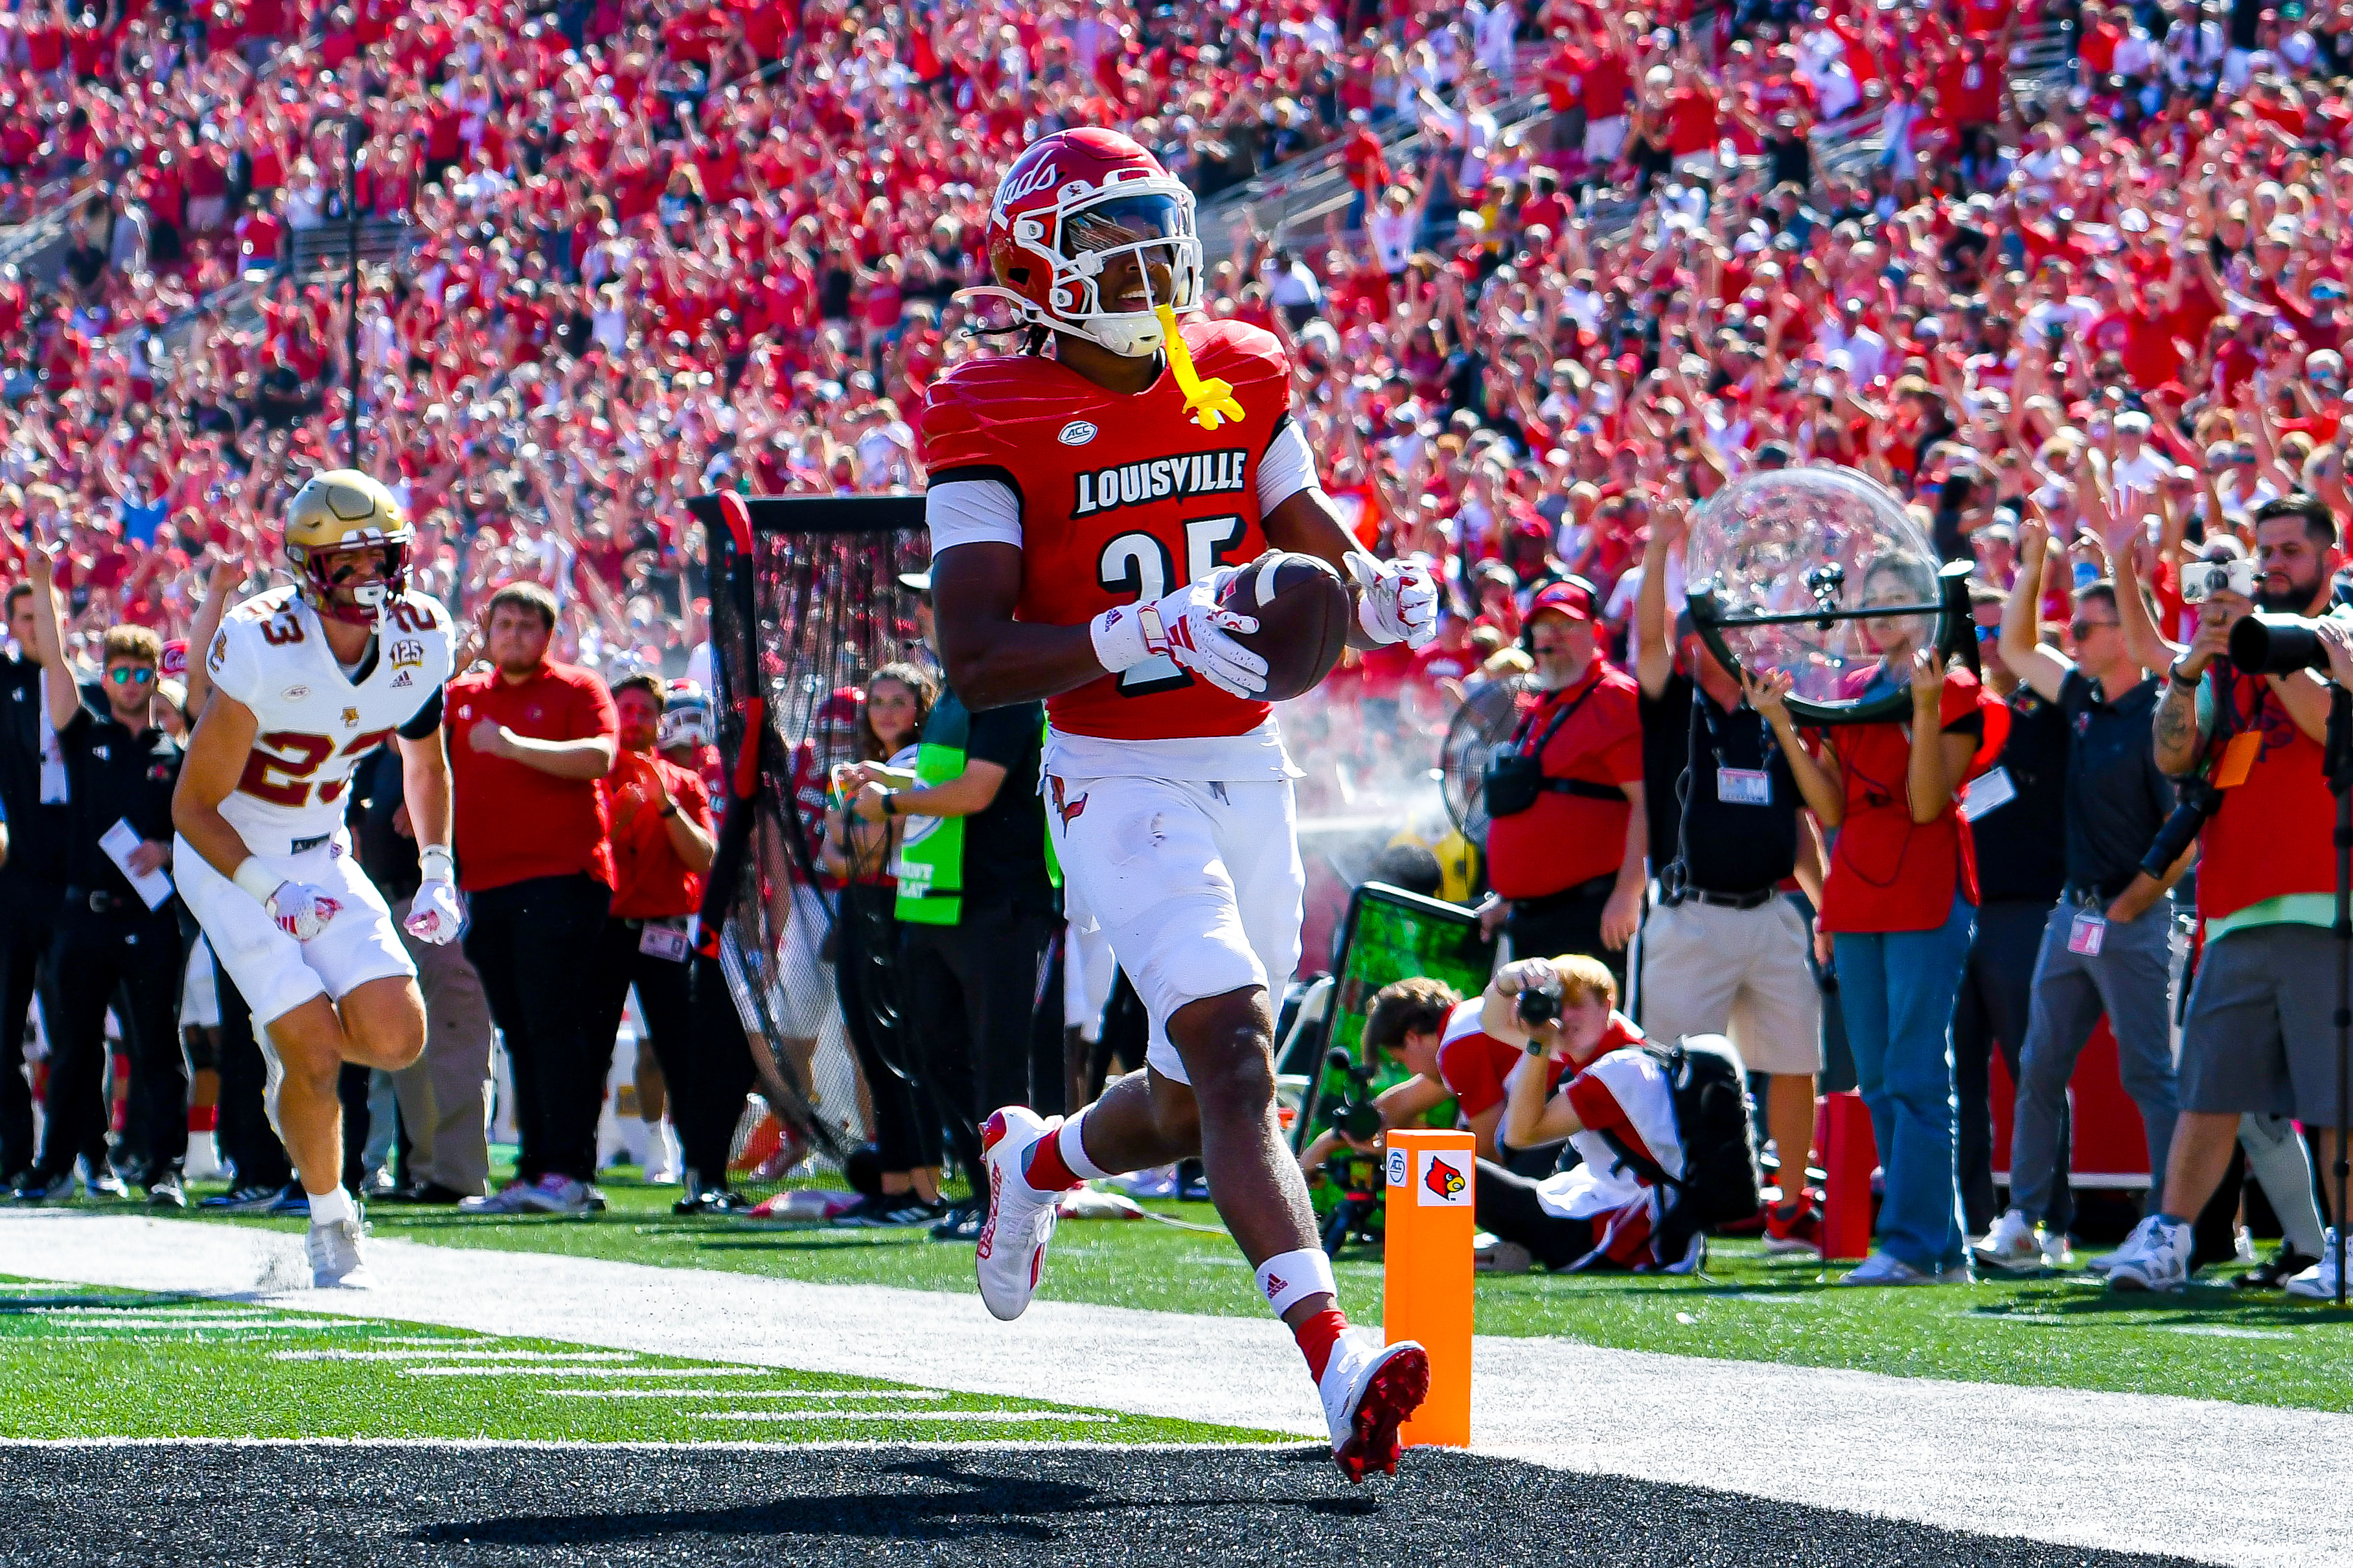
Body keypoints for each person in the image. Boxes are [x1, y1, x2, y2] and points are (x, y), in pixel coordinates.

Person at [919, 128, 1440, 1481]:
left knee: (1190, 1087)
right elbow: (976, 655)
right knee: (1233, 1053)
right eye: (1105, 236)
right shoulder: (983, 407)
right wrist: (1144, 627)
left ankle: (1037, 1161)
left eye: (1154, 225)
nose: (1146, 257)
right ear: (1036, 263)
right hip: (1116, 770)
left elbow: (1299, 509)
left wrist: (1368, 577)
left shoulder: (1241, 359)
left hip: (1246, 760)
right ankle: (1336, 1361)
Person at [168, 471, 463, 1287]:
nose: (370, 578)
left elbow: (424, 763)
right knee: (311, 1049)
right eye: (349, 560)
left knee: (398, 1038)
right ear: (306, 565)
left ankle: (295, 1076)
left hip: (324, 847)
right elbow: (192, 808)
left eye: (382, 557)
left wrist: (438, 869)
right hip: (232, 856)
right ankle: (332, 1219)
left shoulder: (421, 635)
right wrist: (271, 892)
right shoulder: (263, 641)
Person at [2107, 495, 2350, 1299]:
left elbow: (2326, 724)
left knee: (2336, 1095)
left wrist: (2266, 650)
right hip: (2233, 904)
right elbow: (2174, 756)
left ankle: (2345, 1247)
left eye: (2289, 550)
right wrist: (2189, 666)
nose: (2273, 563)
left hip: (2327, 898)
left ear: (2327, 557)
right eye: (2264, 549)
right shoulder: (2226, 659)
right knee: (2207, 1092)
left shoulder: (2341, 632)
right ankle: (2167, 1238)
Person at [1753, 551, 1988, 1286]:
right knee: (1882, 1076)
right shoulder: (1850, 688)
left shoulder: (1951, 686)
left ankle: (1913, 1245)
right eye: (1872, 598)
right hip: (1857, 891)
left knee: (1915, 1072)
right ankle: (1937, 1247)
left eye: (1897, 598)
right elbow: (1829, 809)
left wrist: (1919, 709)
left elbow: (1925, 806)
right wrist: (1780, 724)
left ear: (1927, 610)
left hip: (1924, 888)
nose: (1881, 611)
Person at [1976, 518, 2185, 1271]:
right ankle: (2025, 1220)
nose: (2072, 637)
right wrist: (2032, 564)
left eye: (2085, 626)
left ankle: (2169, 1223)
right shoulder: (2086, 699)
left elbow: (2184, 831)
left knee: (2145, 1076)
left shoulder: (2162, 715)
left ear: (2123, 637)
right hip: (2073, 912)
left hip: (2132, 915)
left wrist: (2132, 901)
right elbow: (2012, 649)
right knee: (2038, 1067)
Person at [1631, 506, 1828, 1255]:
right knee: (1668, 1064)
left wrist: (1824, 899)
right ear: (1698, 643)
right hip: (1692, 913)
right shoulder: (1673, 703)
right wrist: (1657, 551)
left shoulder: (1771, 710)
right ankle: (1667, 1201)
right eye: (1727, 632)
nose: (1741, 643)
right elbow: (1647, 641)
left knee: (1793, 1058)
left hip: (1773, 909)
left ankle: (1787, 1205)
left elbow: (1796, 822)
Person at [13, 557, 185, 1207]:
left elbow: (198, 828)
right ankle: (59, 1164)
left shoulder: (174, 754)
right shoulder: (86, 734)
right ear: (106, 677)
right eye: (120, 671)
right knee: (76, 1049)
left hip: (150, 917)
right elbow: (55, 663)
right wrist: (44, 587)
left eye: (143, 672)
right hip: (84, 915)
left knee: (158, 1047)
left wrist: (165, 851)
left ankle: (164, 1167)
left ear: (152, 680)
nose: (132, 682)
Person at [444, 580, 619, 1216]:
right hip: (485, 884)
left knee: (552, 1026)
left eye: (527, 626)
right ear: (486, 632)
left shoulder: (577, 687)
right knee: (519, 1032)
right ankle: (535, 1170)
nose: (514, 635)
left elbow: (601, 757)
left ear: (550, 636)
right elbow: (407, 746)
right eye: (504, 624)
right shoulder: (462, 696)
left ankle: (568, 1173)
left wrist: (517, 748)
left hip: (561, 879)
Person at [1471, 953, 1708, 1273]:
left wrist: (1538, 1045)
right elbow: (1492, 1022)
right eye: (1556, 1003)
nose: (1563, 1016)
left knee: (1445, 1166)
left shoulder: (1618, 1071)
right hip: (1644, 1217)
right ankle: (1512, 1248)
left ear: (1607, 1005)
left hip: (1628, 1235)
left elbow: (1521, 1135)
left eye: (1575, 1004)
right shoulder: (1618, 1045)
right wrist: (1511, 978)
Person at [1475, 576, 1646, 988]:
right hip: (1532, 918)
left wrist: (1627, 894)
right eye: (1542, 628)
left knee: (1582, 1044)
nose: (1552, 638)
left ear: (1597, 633)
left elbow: (1648, 803)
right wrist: (1509, 898)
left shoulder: (1613, 698)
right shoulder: (1543, 703)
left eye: (1567, 626)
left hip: (1589, 914)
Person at [821, 664, 945, 1227]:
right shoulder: (868, 769)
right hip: (861, 906)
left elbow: (870, 840)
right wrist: (853, 833)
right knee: (873, 1051)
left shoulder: (918, 762)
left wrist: (856, 829)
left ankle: (922, 1192)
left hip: (898, 908)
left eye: (900, 700)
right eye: (878, 701)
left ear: (922, 705)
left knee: (902, 1053)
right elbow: (835, 852)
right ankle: (895, 1188)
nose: (888, 711)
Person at [349, 743, 496, 1205]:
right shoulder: (374, 761)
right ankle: (427, 1170)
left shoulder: (451, 743)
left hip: (443, 906)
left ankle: (461, 1174)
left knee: (456, 1039)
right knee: (406, 1048)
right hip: (387, 907)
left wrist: (436, 816)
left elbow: (491, 800)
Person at [587, 672, 715, 1190]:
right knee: (589, 1045)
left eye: (645, 711)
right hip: (603, 927)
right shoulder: (592, 774)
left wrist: (665, 804)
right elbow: (583, 851)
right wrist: (619, 815)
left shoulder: (684, 782)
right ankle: (578, 1161)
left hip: (664, 929)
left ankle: (699, 1167)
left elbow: (703, 856)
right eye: (627, 710)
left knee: (680, 1049)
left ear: (661, 722)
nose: (635, 720)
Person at [0, 577, 67, 1190]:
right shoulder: (8, 687)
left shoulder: (90, 695)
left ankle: (82, 1158)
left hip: (80, 883)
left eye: (43, 614)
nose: (34, 626)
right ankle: (14, 1157)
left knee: (78, 1029)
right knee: (5, 1026)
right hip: (18, 879)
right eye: (24, 618)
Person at [1295, 977, 1463, 1176]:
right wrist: (1323, 1146)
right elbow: (1397, 1104)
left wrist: (1402, 1148)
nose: (1412, 1072)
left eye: (1401, 1060)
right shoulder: (1459, 1037)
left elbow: (1487, 1159)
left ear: (1412, 1037)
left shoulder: (1461, 1050)